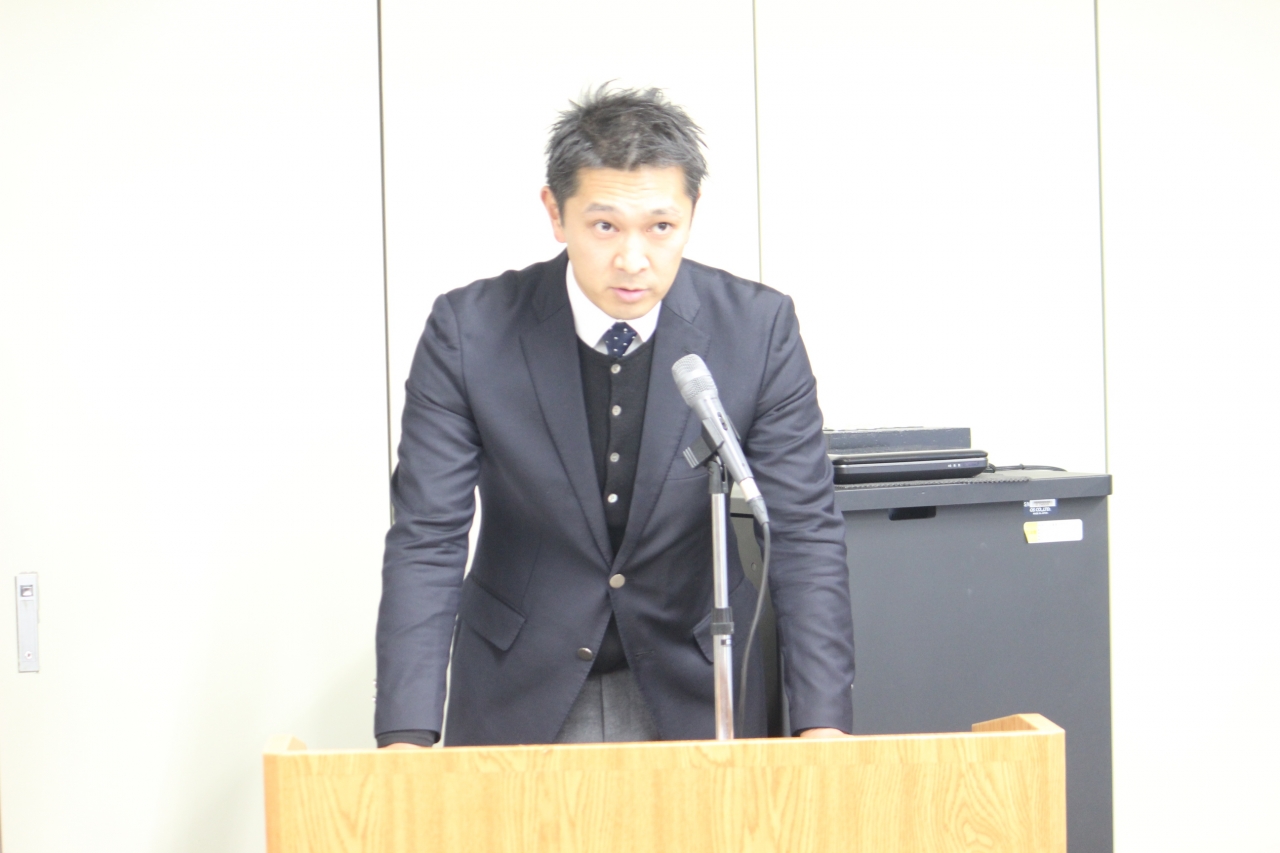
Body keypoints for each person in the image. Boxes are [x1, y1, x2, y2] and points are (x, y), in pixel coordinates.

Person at [375, 86, 854, 748]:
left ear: (692, 213)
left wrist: (822, 725)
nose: (633, 260)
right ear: (555, 212)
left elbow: (803, 529)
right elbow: (428, 536)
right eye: (605, 227)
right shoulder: (469, 330)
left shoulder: (756, 328)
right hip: (521, 682)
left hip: (695, 681)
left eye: (660, 227)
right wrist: (405, 737)